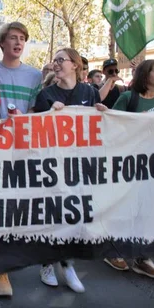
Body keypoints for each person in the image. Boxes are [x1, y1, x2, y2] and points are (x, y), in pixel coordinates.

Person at [34, 47, 104, 294]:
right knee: (53, 215)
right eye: (54, 60)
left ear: (75, 65)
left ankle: (68, 262)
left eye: (61, 60)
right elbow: (36, 132)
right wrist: (49, 117)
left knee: (76, 216)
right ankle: (48, 263)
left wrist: (105, 115)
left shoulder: (90, 92)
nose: (56, 63)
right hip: (55, 165)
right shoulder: (46, 94)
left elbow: (99, 127)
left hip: (82, 166)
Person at [102, 59, 154, 279]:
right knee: (122, 208)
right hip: (126, 163)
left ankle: (143, 256)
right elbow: (112, 125)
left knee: (146, 210)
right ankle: (113, 250)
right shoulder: (128, 98)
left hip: (150, 165)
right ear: (145, 75)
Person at [0, 21, 42, 297]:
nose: (18, 42)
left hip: (22, 148)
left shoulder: (35, 76)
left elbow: (35, 112)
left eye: (22, 38)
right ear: (2, 43)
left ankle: (5, 262)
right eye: (12, 37)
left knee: (15, 207)